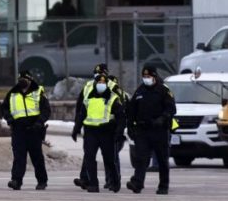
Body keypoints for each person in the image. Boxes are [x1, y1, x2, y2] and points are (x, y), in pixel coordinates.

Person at [126, 66, 176, 195]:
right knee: (141, 158)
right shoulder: (140, 91)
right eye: (144, 77)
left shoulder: (163, 90)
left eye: (148, 77)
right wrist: (130, 126)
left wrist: (162, 118)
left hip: (159, 131)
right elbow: (132, 110)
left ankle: (163, 186)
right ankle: (137, 183)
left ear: (154, 76)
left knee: (162, 160)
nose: (146, 79)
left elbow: (171, 109)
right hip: (143, 131)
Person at [72, 73, 125, 193]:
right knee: (89, 158)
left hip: (106, 132)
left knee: (109, 160)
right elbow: (82, 114)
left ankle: (115, 181)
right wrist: (76, 129)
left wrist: (119, 132)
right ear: (95, 84)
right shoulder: (88, 98)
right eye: (99, 83)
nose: (101, 85)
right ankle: (93, 184)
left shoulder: (113, 98)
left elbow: (121, 117)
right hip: (91, 132)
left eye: (103, 83)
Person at [1, 71, 50, 191]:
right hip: (18, 130)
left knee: (37, 157)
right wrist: (9, 119)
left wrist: (39, 123)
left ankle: (42, 181)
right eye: (20, 79)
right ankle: (16, 181)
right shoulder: (12, 93)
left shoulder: (38, 92)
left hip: (34, 130)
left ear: (30, 80)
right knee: (19, 157)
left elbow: (46, 110)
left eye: (25, 79)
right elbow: (4, 108)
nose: (22, 81)